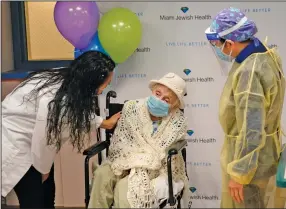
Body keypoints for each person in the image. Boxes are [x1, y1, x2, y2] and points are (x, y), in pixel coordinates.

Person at [1, 51, 121, 208]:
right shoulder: (58, 100)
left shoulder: (71, 78)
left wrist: (103, 123)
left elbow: (75, 113)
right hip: (16, 145)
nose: (104, 89)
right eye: (105, 84)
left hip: (31, 140)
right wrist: (43, 170)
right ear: (91, 81)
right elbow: (45, 139)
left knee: (48, 193)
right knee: (35, 199)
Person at [205, 7, 286, 208]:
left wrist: (240, 175)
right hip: (265, 155)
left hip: (251, 166)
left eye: (217, 44)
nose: (217, 49)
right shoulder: (264, 53)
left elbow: (252, 130)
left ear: (230, 42)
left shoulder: (249, 72)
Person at [88, 73, 191, 208]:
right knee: (102, 175)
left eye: (166, 100)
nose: (159, 99)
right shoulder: (132, 108)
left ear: (174, 105)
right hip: (123, 159)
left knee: (124, 188)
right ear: (152, 91)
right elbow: (122, 143)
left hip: (152, 166)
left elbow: (162, 156)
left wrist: (140, 162)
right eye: (157, 93)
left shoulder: (177, 122)